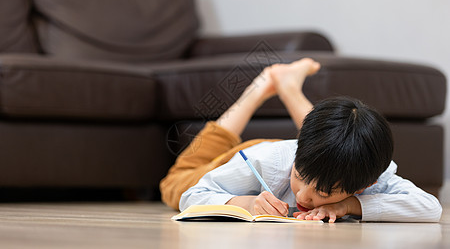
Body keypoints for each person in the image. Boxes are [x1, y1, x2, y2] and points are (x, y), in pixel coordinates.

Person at [160, 58, 442, 223]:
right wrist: (245, 204)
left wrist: (349, 206)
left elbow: (430, 207)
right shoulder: (265, 161)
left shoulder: (369, 169)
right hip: (251, 157)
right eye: (300, 177)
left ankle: (288, 85)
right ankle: (260, 87)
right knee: (174, 182)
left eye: (323, 192)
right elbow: (191, 196)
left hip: (305, 155)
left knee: (337, 137)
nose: (303, 196)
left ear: (365, 185)